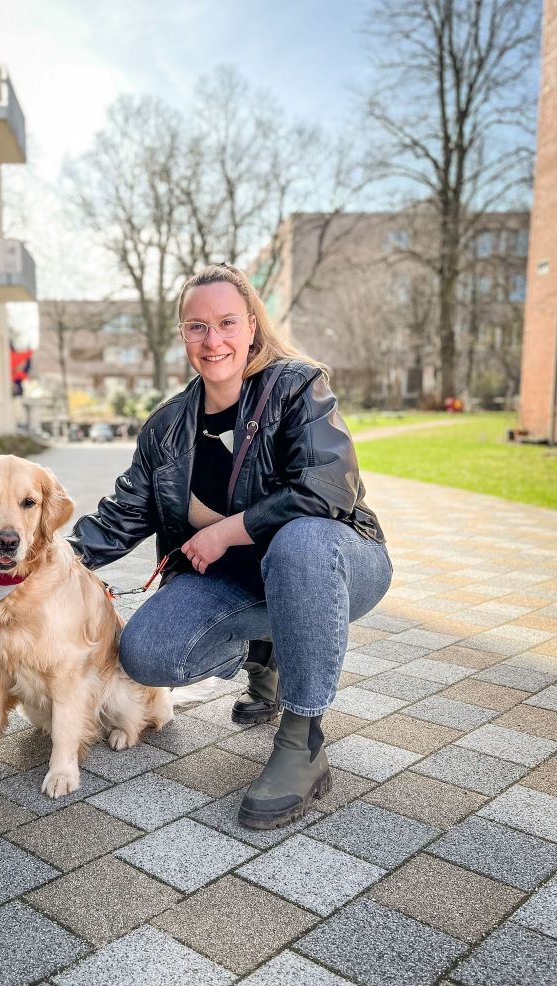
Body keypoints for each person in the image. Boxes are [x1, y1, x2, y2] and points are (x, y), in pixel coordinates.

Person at [67, 263, 392, 829]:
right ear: (183, 335)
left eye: (225, 323)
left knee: (299, 546)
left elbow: (325, 489)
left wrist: (225, 530)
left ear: (251, 328)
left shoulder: (297, 386)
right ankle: (264, 649)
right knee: (146, 653)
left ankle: (302, 740)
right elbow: (124, 514)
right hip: (239, 585)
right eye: (197, 327)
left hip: (338, 561)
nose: (212, 340)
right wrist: (32, 562)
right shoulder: (167, 427)